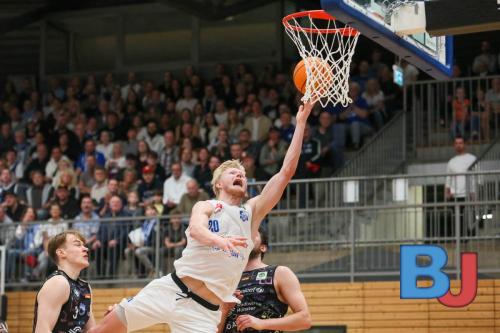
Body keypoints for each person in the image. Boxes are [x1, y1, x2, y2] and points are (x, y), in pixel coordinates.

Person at [88, 100, 315, 333]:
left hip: (203, 312)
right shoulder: (206, 205)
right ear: (218, 183)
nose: (240, 174)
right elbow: (196, 230)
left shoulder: (251, 212)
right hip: (171, 289)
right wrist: (220, 241)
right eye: (233, 172)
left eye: (243, 174)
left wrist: (300, 122)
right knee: (103, 330)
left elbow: (286, 172)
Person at [218, 228, 311, 333]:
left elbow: (304, 319)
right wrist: (224, 310)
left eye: (253, 235)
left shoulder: (279, 273)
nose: (248, 237)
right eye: (245, 234)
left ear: (263, 247)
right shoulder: (226, 278)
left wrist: (262, 323)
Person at [32, 230, 95, 333]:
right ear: (61, 253)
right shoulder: (58, 282)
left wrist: (111, 319)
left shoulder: (85, 287)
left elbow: (91, 331)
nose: (86, 249)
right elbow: (42, 330)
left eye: (84, 245)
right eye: (78, 245)